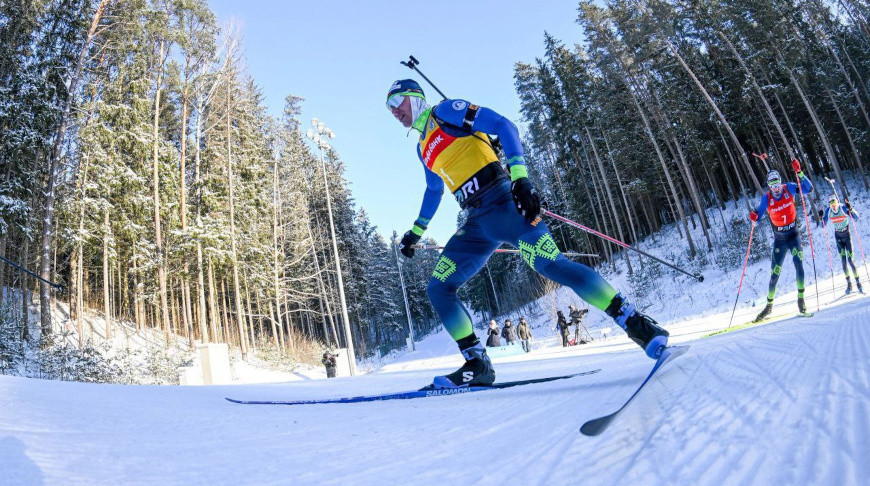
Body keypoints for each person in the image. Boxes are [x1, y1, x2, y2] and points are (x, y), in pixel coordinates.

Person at [387, 79, 668, 389]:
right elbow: (434, 188)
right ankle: (477, 363)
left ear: (415, 97)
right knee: (438, 287)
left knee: (551, 265)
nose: (394, 111)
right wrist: (416, 231)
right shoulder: (421, 147)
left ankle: (636, 323)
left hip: (506, 203)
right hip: (477, 221)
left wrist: (521, 178)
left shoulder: (445, 112)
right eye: (389, 108)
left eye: (397, 101)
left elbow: (503, 125)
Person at [749, 160, 814, 321]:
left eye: (777, 183)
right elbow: (756, 219)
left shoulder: (789, 188)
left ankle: (801, 301)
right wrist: (753, 218)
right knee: (774, 273)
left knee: (799, 265)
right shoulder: (767, 198)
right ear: (769, 186)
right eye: (772, 185)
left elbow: (809, 189)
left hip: (793, 235)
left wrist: (800, 173)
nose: (776, 188)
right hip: (779, 239)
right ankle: (769, 306)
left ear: (780, 182)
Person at [821, 194, 863, 294]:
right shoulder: (829, 211)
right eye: (831, 203)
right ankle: (849, 284)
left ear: (837, 201)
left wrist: (851, 209)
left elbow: (856, 218)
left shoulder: (843, 208)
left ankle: (858, 283)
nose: (833, 205)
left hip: (847, 235)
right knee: (843, 262)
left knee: (850, 261)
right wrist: (821, 217)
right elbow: (823, 225)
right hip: (838, 237)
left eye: (834, 202)